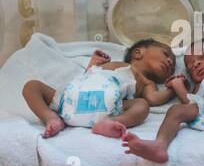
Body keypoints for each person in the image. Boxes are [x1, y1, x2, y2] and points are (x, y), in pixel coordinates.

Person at [22, 39, 176, 139]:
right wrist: (93, 64)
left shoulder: (147, 82)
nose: (170, 61)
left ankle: (111, 122)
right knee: (31, 86)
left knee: (142, 106)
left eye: (173, 65)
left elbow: (152, 99)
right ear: (138, 53)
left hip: (109, 107)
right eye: (166, 54)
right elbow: (85, 79)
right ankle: (51, 117)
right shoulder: (113, 64)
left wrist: (173, 89)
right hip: (69, 100)